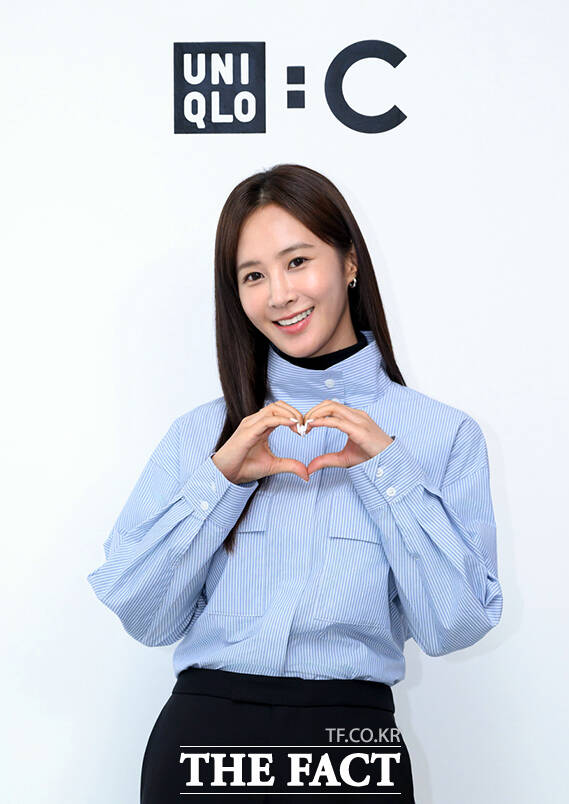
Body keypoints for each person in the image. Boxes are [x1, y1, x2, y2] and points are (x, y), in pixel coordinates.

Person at [87, 163, 503, 803]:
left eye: (298, 261)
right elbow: (143, 615)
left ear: (350, 262)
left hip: (352, 748)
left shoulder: (442, 436)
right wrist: (219, 482)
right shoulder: (203, 436)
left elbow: (456, 625)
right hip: (204, 747)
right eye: (253, 276)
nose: (279, 294)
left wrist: (388, 473)